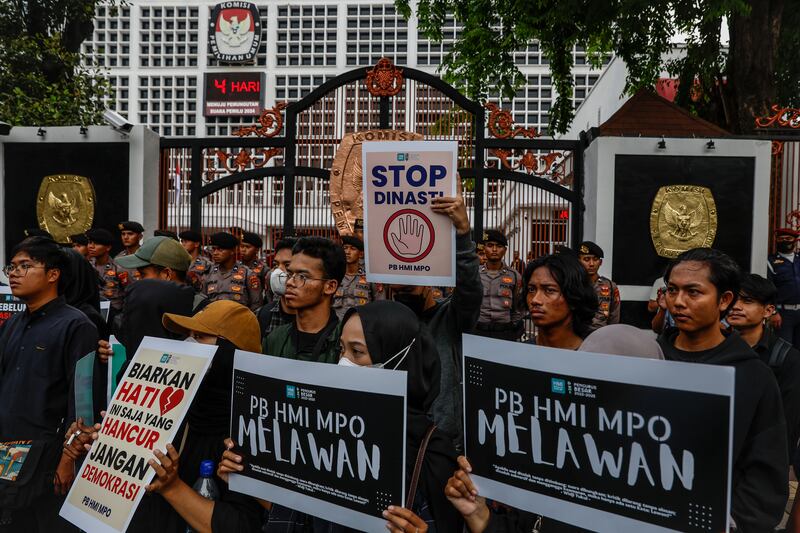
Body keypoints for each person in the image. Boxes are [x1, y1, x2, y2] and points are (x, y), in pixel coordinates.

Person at [145, 300, 462, 533]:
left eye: (358, 352)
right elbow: (302, 521)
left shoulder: (432, 454)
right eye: (341, 350)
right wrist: (258, 486)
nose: (344, 363)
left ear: (400, 360)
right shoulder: (326, 433)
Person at [65, 300, 262, 533]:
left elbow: (242, 525)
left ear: (231, 352)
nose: (188, 344)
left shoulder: (250, 431)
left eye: (200, 337)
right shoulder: (172, 406)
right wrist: (108, 439)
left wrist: (173, 488)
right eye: (188, 335)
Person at [657, 247, 788, 530]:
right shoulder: (648, 358)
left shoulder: (753, 375)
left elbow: (765, 472)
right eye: (672, 290)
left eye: (693, 292)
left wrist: (736, 523)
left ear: (724, 300)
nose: (678, 302)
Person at [0, 237, 98, 531]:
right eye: (12, 267)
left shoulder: (77, 326)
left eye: (25, 266)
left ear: (53, 274)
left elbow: (81, 401)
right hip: (8, 450)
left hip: (47, 457)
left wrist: (67, 459)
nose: (14, 273)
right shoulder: (13, 324)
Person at [387, 184, 482, 453]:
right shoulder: (384, 321)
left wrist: (463, 233)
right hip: (396, 437)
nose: (404, 281)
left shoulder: (450, 318)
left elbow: (470, 290)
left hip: (442, 441)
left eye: (413, 270)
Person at [728, 274, 800, 475]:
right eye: (732, 299)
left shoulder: (787, 358)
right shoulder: (715, 348)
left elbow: (788, 423)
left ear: (768, 310)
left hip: (759, 465)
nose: (736, 306)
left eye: (747, 301)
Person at [109, 236, 206, 357]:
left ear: (166, 274)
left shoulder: (202, 315)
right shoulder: (139, 309)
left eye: (143, 275)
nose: (137, 281)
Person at [264, 236, 345, 362]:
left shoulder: (345, 344)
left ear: (330, 286)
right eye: (290, 274)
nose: (290, 282)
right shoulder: (275, 339)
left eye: (302, 276)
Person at [524, 253, 598, 349]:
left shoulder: (594, 357)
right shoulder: (520, 354)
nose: (535, 300)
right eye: (531, 290)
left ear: (574, 298)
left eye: (549, 290)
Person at [474, 229, 524, 341]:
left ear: (505, 250)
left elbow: (519, 306)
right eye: (490, 245)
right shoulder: (474, 274)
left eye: (499, 246)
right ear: (484, 248)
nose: (494, 250)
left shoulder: (514, 276)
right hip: (479, 331)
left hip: (505, 332)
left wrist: (513, 327)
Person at [203, 232, 262, 311]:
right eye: (213, 249)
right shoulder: (208, 273)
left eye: (220, 249)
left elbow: (256, 305)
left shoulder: (248, 275)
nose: (215, 253)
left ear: (233, 250)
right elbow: (202, 301)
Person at [332, 235, 383, 319]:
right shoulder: (334, 276)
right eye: (345, 248)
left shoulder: (370, 277)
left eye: (353, 248)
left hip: (362, 325)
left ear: (360, 254)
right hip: (337, 326)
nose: (348, 252)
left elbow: (380, 305)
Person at [256, 237, 296, 339]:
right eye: (276, 264)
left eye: (287, 265)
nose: (278, 271)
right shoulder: (262, 315)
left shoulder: (315, 320)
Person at [577, 241, 620, 331]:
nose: (591, 264)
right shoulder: (574, 283)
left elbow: (614, 315)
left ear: (600, 262)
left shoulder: (610, 286)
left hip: (601, 334)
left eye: (595, 259)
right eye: (586, 259)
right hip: (578, 334)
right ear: (579, 261)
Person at [768, 227, 800, 346]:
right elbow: (769, 289)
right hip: (783, 314)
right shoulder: (771, 262)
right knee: (784, 349)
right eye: (781, 239)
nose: (784, 241)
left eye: (788, 238)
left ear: (795, 241)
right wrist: (773, 312)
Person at [86, 227, 129, 311]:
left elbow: (128, 292)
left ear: (108, 247)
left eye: (97, 244)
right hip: (92, 310)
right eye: (90, 242)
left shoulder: (119, 267)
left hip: (113, 311)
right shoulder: (87, 265)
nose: (91, 246)